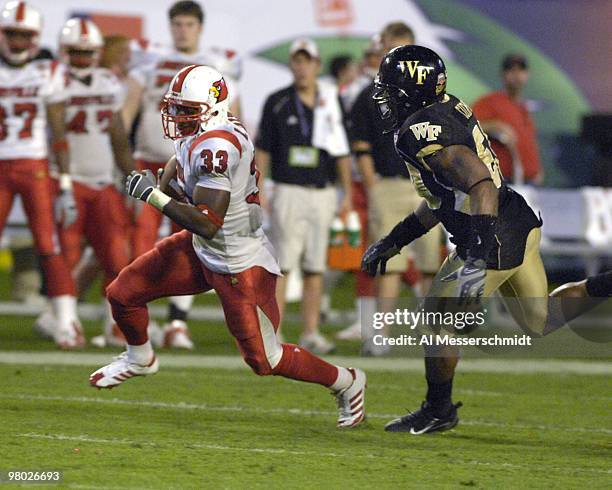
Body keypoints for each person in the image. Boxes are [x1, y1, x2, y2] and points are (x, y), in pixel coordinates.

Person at [89, 65, 367, 429]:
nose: (176, 116)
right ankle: (139, 358)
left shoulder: (218, 145)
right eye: (175, 107)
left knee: (264, 360)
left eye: (186, 110)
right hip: (201, 248)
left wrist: (152, 195)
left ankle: (347, 382)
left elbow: (207, 220)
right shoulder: (203, 131)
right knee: (123, 293)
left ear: (212, 108)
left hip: (240, 265)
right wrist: (170, 178)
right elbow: (188, 171)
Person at [362, 45, 612, 434]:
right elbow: (446, 197)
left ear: (415, 88)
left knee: (438, 322)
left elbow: (478, 183)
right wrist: (397, 238)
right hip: (517, 220)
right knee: (539, 319)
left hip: (491, 231)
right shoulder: (445, 108)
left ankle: (438, 409)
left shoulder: (419, 131)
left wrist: (476, 252)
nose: (385, 96)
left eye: (393, 88)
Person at [121, 0, 242, 348]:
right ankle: (135, 317)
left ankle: (176, 322)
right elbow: (127, 115)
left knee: (191, 243)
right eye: (177, 24)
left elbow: (234, 121)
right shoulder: (149, 60)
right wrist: (127, 167)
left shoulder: (218, 65)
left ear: (200, 27)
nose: (182, 30)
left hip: (195, 167)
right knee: (141, 244)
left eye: (189, 24)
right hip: (149, 161)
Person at [255, 38, 353, 354]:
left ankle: (311, 331)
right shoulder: (277, 101)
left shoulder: (330, 101)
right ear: (291, 65)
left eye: (307, 61)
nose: (301, 67)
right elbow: (264, 149)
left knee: (315, 266)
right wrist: (259, 189)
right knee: (282, 264)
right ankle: (275, 331)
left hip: (323, 191)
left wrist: (347, 192)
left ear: (317, 65)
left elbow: (340, 150)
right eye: (296, 61)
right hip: (288, 189)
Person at [350, 22, 442, 352]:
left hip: (427, 186)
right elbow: (361, 146)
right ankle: (381, 335)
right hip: (389, 185)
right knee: (389, 262)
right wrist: (373, 185)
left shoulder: (431, 93)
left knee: (431, 262)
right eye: (393, 49)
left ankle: (432, 333)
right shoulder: (369, 95)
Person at [0, 1, 82, 348]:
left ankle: (66, 321)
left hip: (34, 166)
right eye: (12, 34)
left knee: (49, 245)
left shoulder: (48, 71)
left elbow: (59, 134)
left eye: (24, 35)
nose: (17, 42)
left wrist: (64, 185)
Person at [57, 18, 135, 346]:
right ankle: (62, 321)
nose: (81, 59)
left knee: (118, 259)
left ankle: (115, 326)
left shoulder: (108, 82)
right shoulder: (53, 81)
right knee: (66, 257)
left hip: (103, 183)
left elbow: (117, 135)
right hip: (70, 180)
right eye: (75, 52)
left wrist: (131, 177)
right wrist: (59, 182)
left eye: (87, 53)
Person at [472, 54, 543, 184]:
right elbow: (467, 126)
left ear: (527, 74)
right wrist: (495, 125)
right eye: (511, 70)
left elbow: (529, 143)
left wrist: (537, 170)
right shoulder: (490, 101)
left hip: (528, 181)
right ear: (502, 74)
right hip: (502, 180)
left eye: (521, 70)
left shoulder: (523, 108)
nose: (516, 75)